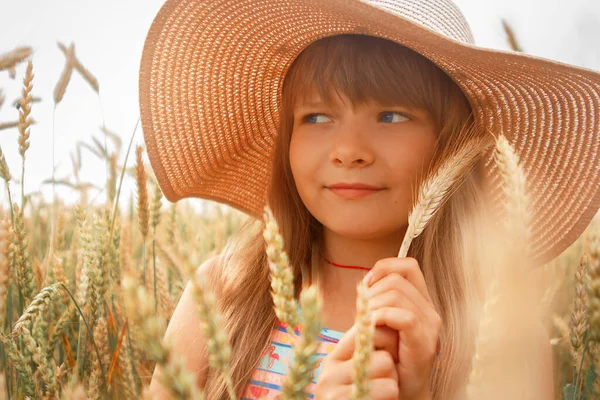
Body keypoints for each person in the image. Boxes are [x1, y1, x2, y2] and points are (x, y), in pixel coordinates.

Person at [138, 0, 600, 398]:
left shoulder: (501, 337)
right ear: (287, 142)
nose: (350, 151)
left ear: (452, 143)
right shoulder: (226, 295)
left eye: (391, 115)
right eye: (317, 116)